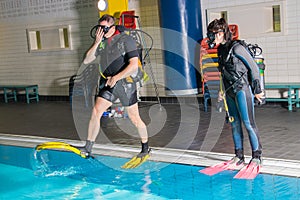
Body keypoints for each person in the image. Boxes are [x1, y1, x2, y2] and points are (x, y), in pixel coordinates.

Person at [80, 14, 150, 168]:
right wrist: (96, 42)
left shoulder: (126, 40)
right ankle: (88, 147)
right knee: (96, 111)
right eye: (100, 28)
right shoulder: (102, 42)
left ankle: (145, 148)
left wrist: (117, 77)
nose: (101, 31)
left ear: (112, 27)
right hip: (108, 83)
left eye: (104, 28)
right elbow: (86, 59)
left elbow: (133, 66)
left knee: (134, 118)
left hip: (125, 83)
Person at [206, 18, 264, 169]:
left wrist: (257, 91)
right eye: (210, 34)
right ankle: (239, 156)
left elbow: (254, 69)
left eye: (214, 34)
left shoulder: (237, 48)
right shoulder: (220, 49)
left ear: (222, 33)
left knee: (248, 123)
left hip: (242, 90)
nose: (211, 38)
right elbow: (222, 73)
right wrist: (221, 91)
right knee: (234, 123)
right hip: (229, 91)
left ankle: (257, 156)